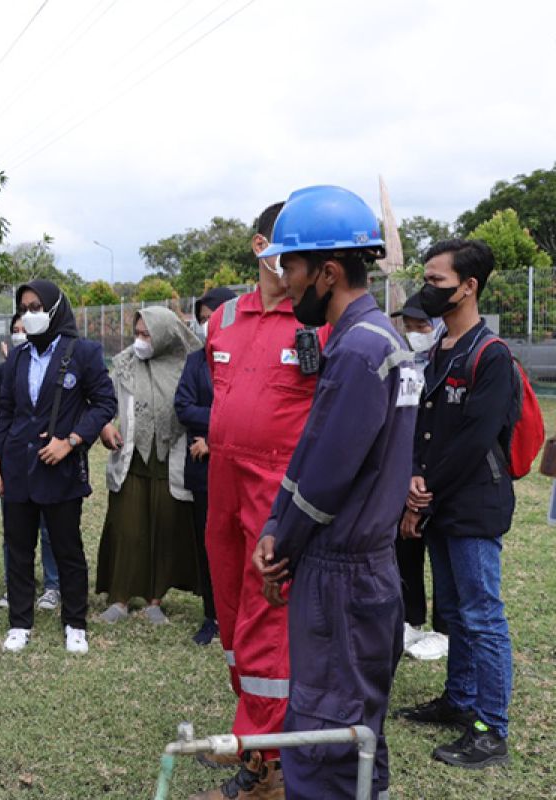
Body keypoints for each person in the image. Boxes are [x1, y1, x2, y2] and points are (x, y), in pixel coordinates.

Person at [252, 185, 416, 799]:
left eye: (291, 267)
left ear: (327, 271)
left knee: (325, 744)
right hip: (366, 572)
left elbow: (322, 477)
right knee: (358, 736)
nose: (285, 282)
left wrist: (281, 542)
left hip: (342, 578)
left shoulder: (356, 351)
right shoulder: (382, 342)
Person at [192, 201, 319, 799]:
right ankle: (252, 728)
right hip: (223, 480)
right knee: (232, 608)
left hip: (277, 484)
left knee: (268, 610)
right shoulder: (222, 319)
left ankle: (267, 763)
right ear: (259, 244)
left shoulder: (317, 321)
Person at [395, 239, 515, 769]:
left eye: (437, 281)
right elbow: (423, 428)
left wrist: (425, 487)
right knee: (456, 614)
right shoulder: (439, 346)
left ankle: (491, 729)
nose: (428, 289)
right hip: (439, 500)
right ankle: (459, 700)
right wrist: (414, 482)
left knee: (483, 615)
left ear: (468, 286)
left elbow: (475, 437)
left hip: (472, 503)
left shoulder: (491, 356)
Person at [0, 280, 117, 655]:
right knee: (18, 547)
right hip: (17, 467)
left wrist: (72, 440)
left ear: (56, 308)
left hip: (59, 469)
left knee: (67, 549)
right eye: (25, 307)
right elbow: (7, 412)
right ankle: (20, 622)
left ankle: (75, 622)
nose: (30, 314)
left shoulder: (84, 353)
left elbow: (104, 404)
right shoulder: (17, 358)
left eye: (37, 306)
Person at [95, 306, 200, 628]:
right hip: (132, 460)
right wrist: (105, 427)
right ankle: (119, 599)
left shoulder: (188, 366)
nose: (140, 341)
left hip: (171, 460)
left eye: (147, 335)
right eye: (137, 334)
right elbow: (104, 403)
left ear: (165, 336)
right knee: (127, 529)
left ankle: (155, 600)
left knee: (165, 529)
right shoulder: (125, 364)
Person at [174, 287, 237, 644]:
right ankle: (212, 615)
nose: (205, 323)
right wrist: (223, 421)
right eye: (201, 317)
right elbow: (183, 407)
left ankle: (243, 617)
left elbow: (253, 410)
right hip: (202, 474)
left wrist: (214, 439)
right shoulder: (195, 361)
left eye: (211, 315)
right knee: (208, 544)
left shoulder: (247, 357)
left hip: (240, 468)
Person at [389, 293, 448, 660]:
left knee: (443, 555)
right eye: (408, 327)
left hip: (441, 477)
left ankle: (444, 630)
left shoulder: (449, 361)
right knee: (406, 547)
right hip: (407, 473)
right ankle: (410, 618)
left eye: (421, 326)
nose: (414, 333)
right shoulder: (409, 363)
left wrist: (426, 481)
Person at [0, 313, 60, 611]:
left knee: (49, 528)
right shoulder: (7, 368)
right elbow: (3, 414)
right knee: (15, 530)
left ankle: (53, 585)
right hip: (16, 457)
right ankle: (16, 585)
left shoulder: (60, 362)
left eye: (25, 328)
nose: (22, 333)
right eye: (16, 329)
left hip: (48, 455)